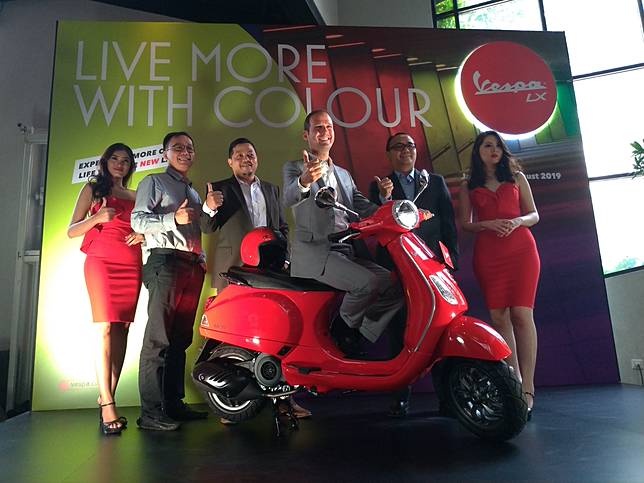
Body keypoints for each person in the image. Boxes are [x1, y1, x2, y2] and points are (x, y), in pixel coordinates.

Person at [201, 137, 311, 421]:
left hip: (271, 272)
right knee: (231, 335)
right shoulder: (220, 189)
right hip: (233, 271)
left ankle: (285, 401)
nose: (245, 159)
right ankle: (230, 402)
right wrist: (209, 207)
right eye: (239, 155)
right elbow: (207, 227)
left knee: (278, 334)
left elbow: (282, 227)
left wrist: (285, 258)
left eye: (250, 154)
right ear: (230, 162)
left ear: (257, 158)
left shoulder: (271, 189)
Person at [283, 109, 403, 354]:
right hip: (316, 252)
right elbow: (288, 198)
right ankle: (340, 333)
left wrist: (385, 198)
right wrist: (304, 181)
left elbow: (364, 209)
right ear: (306, 135)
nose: (325, 132)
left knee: (393, 285)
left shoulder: (344, 175)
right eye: (318, 128)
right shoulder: (295, 168)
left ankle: (356, 334)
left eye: (328, 127)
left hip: (347, 250)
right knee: (368, 283)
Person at [368, 132, 459, 418]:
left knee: (441, 332)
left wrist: (451, 262)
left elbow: (448, 224)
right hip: (397, 269)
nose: (405, 151)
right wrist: (385, 198)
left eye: (410, 146)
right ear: (388, 154)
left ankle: (447, 398)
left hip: (432, 268)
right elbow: (374, 222)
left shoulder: (435, 182)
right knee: (400, 330)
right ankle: (400, 397)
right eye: (398, 147)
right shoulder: (380, 186)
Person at [458, 130, 540, 419]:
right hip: (489, 254)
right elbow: (465, 224)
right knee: (499, 317)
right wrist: (487, 224)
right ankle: (513, 383)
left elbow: (534, 215)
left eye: (497, 146)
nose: (493, 150)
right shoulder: (469, 185)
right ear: (478, 152)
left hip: (522, 251)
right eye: (487, 146)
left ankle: (528, 387)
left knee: (522, 314)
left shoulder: (517, 177)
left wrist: (517, 221)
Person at [131, 131, 208, 431]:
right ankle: (150, 413)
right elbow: (138, 221)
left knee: (179, 341)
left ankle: (173, 405)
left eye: (190, 148)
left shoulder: (194, 192)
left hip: (191, 266)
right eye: (178, 148)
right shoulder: (154, 182)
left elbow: (194, 230)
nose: (185, 152)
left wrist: (200, 258)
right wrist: (172, 219)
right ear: (165, 153)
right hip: (165, 263)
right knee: (158, 340)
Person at [67, 143, 144, 435]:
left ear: (131, 166)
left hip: (130, 262)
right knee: (104, 328)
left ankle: (107, 395)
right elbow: (72, 230)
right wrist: (97, 218)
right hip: (101, 261)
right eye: (115, 158)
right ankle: (108, 404)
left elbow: (148, 225)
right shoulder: (92, 189)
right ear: (105, 161)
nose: (120, 164)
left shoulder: (136, 196)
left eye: (125, 160)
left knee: (122, 328)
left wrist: (143, 234)